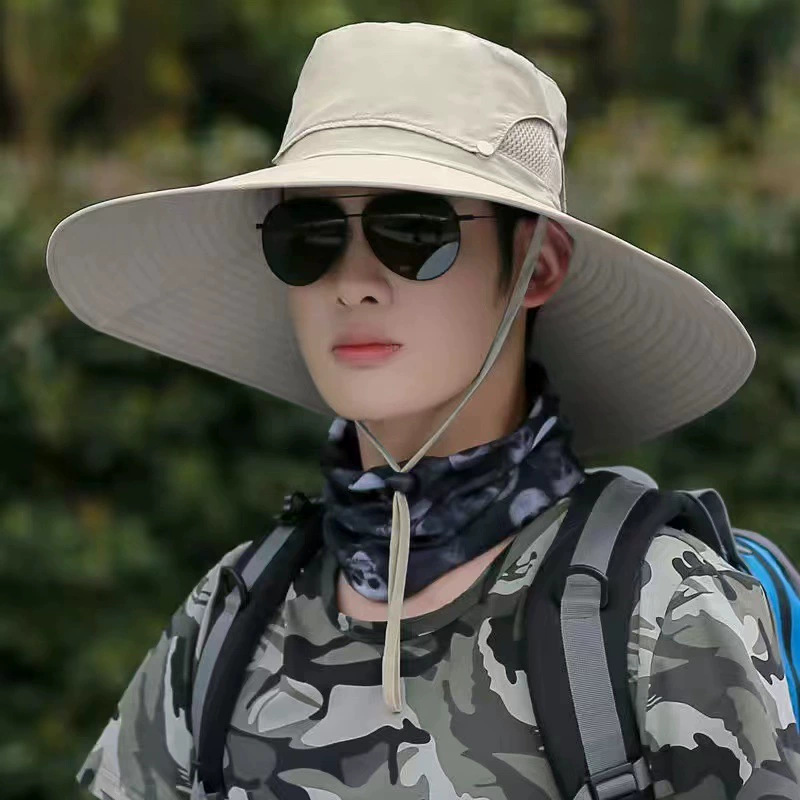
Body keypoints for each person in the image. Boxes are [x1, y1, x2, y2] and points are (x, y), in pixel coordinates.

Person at [47, 20, 800, 800]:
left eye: (413, 232)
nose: (353, 283)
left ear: (535, 266)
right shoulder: (228, 619)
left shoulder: (660, 609)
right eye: (309, 236)